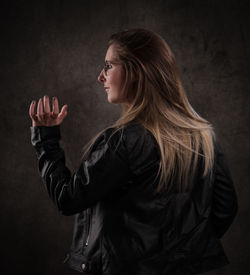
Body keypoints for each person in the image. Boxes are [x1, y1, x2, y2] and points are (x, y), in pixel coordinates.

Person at [29, 28, 238, 275]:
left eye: (108, 66)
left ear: (135, 72)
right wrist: (183, 252)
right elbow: (226, 208)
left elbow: (68, 198)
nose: (100, 77)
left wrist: (46, 139)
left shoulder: (126, 141)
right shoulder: (204, 135)